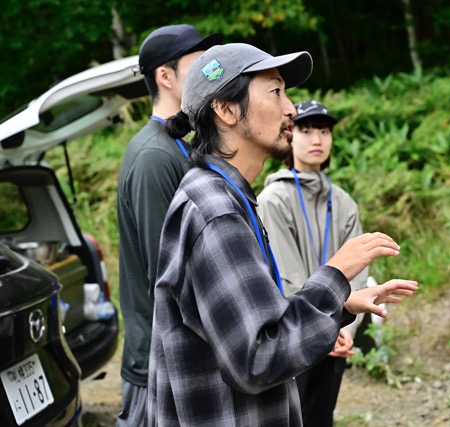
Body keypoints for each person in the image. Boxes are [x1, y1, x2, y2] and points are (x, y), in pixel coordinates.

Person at [146, 42, 418, 426]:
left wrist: (340, 305)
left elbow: (259, 327)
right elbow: (259, 358)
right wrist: (336, 273)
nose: (291, 108)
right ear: (225, 110)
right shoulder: (216, 212)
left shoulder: (227, 195)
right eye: (275, 91)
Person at [116, 24, 222, 426]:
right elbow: (166, 274)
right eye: (199, 65)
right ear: (166, 76)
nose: (211, 73)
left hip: (183, 356)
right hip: (158, 367)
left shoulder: (182, 145)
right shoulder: (153, 156)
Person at [256, 100, 367, 426]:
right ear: (290, 135)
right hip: (293, 336)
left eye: (324, 130)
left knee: (322, 416)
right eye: (306, 130)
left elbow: (359, 272)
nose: (317, 139)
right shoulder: (274, 199)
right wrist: (323, 329)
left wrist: (348, 325)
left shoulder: (343, 201)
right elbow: (285, 277)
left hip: (338, 331)